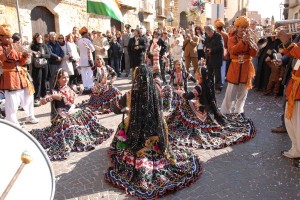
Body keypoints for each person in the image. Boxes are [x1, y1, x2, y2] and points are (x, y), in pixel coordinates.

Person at [105, 64, 202, 199]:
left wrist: (126, 109)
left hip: (136, 130)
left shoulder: (130, 94)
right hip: (156, 131)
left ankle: (125, 148)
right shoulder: (156, 91)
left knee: (122, 125)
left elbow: (115, 109)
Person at [30, 69, 113, 160]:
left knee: (88, 113)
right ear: (58, 79)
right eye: (63, 78)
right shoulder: (55, 91)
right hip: (60, 117)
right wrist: (52, 97)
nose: (66, 79)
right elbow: (42, 102)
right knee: (70, 126)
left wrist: (98, 88)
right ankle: (80, 141)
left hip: (72, 112)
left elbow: (85, 91)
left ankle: (87, 137)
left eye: (67, 77)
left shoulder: (70, 88)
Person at [166, 65, 256, 149]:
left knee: (183, 104)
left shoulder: (199, 87)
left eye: (196, 73)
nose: (195, 74)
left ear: (199, 75)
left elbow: (187, 96)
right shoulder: (209, 83)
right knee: (189, 102)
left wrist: (179, 92)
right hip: (209, 110)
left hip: (202, 111)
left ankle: (178, 123)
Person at [0, 24, 38, 125]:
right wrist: (10, 48)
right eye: (7, 37)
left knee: (29, 95)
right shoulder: (1, 47)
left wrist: (25, 56)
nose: (9, 39)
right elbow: (1, 59)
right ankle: (12, 121)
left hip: (21, 76)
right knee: (12, 101)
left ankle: (30, 115)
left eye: (10, 37)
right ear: (1, 37)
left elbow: (20, 62)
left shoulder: (16, 47)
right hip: (10, 77)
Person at [220, 16, 257, 115]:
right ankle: (225, 111)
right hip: (235, 68)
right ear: (237, 27)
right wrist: (243, 42)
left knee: (243, 93)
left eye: (245, 27)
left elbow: (254, 54)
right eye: (242, 27)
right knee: (230, 93)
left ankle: (238, 110)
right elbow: (232, 51)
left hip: (246, 68)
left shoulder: (250, 39)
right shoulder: (231, 39)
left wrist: (251, 42)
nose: (244, 29)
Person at [277, 28, 300, 167]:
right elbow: (289, 53)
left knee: (297, 122)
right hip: (294, 85)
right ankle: (296, 149)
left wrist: (288, 42)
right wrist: (286, 42)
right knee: (290, 120)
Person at [30, 33, 51, 107]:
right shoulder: (33, 46)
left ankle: (44, 95)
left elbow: (49, 55)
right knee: (37, 81)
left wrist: (41, 55)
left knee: (44, 80)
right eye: (38, 38)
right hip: (37, 66)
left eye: (41, 38)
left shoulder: (44, 45)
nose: (40, 39)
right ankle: (36, 97)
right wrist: (38, 48)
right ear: (35, 38)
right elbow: (32, 54)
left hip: (44, 65)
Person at [204, 25, 224, 94]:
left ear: (213, 31)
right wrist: (205, 48)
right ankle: (211, 88)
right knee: (209, 74)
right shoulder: (207, 37)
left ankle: (218, 88)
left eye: (209, 33)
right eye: (207, 33)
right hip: (209, 59)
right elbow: (205, 45)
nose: (209, 35)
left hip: (216, 59)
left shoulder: (218, 36)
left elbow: (220, 46)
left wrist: (212, 50)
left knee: (217, 74)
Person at [214, 18, 229, 87]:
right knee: (223, 68)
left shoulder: (214, 34)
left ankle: (216, 82)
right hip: (224, 52)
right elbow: (228, 45)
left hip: (215, 53)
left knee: (216, 68)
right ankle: (222, 82)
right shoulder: (226, 35)